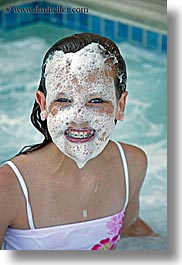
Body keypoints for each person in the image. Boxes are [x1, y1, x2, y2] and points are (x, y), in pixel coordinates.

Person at [0, 33, 155, 250]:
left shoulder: (131, 163)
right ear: (43, 104)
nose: (79, 118)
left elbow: (130, 229)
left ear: (120, 105)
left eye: (97, 100)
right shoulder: (8, 185)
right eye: (63, 100)